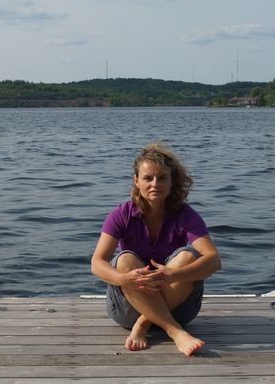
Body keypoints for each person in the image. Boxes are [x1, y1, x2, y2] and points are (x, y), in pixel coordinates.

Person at [91, 143, 221, 356]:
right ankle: (176, 333)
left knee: (188, 256)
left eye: (162, 178)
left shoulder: (185, 215)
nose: (155, 184)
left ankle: (144, 324)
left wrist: (172, 275)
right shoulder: (121, 214)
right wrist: (125, 279)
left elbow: (214, 260)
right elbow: (97, 263)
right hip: (128, 308)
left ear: (172, 182)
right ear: (136, 181)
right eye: (147, 178)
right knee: (124, 261)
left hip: (177, 307)